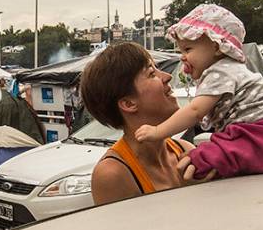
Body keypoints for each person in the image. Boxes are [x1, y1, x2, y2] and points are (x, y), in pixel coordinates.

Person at [135, 4, 263, 180]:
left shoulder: (219, 72)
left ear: (217, 47)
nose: (182, 57)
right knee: (223, 149)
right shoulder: (232, 70)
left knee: (209, 156)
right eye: (180, 51)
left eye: (188, 49)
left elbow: (195, 111)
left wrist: (158, 132)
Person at [80, 42, 200, 206]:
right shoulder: (113, 174)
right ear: (128, 104)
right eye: (152, 73)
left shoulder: (185, 150)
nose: (167, 76)